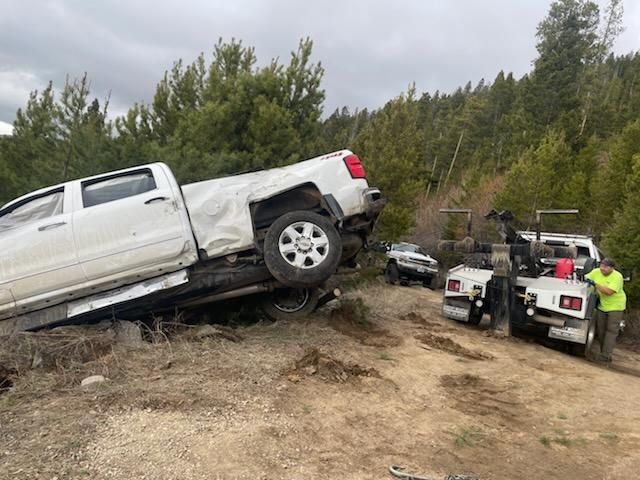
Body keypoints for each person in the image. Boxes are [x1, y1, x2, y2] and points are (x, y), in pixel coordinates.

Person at [585, 258, 626, 364]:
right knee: (601, 330)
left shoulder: (617, 276)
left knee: (611, 331)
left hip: (616, 306)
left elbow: (609, 292)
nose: (602, 269)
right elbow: (585, 278)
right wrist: (586, 280)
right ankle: (605, 354)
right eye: (601, 266)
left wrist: (595, 284)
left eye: (605, 267)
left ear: (612, 268)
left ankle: (605, 356)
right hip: (602, 306)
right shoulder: (596, 272)